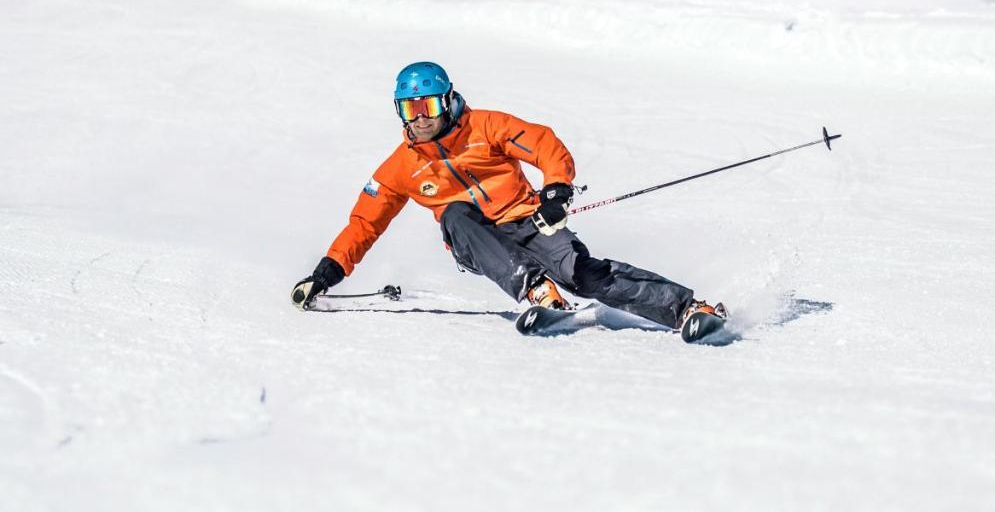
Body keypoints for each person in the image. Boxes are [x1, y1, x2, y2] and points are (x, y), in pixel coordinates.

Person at [291, 62, 725, 331]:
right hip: (475, 239)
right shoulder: (401, 166)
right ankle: (535, 290)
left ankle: (689, 309)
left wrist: (556, 189)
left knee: (583, 274)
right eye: (408, 110)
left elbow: (541, 142)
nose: (418, 120)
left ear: (446, 101)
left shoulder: (485, 126)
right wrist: (326, 273)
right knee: (455, 213)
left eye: (426, 108)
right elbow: (365, 223)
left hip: (530, 221)